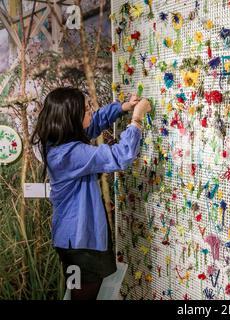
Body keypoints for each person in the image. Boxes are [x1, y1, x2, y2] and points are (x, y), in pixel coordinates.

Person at [31, 87, 151, 300]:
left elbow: (93, 123)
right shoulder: (69, 154)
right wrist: (136, 119)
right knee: (82, 296)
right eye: (86, 110)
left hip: (76, 240)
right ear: (72, 119)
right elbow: (121, 156)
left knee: (80, 293)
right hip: (80, 244)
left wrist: (123, 107)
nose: (91, 112)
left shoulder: (58, 141)